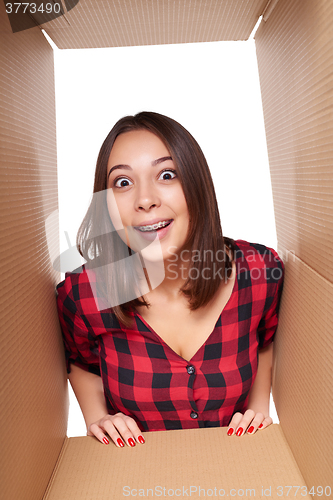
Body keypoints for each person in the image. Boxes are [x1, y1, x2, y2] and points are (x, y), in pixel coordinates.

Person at [56, 111, 284, 449]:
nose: (145, 200)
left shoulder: (259, 272)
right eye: (122, 182)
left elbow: (265, 341)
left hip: (238, 469)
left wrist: (258, 409)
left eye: (166, 174)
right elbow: (81, 361)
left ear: (196, 184)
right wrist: (98, 417)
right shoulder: (83, 294)